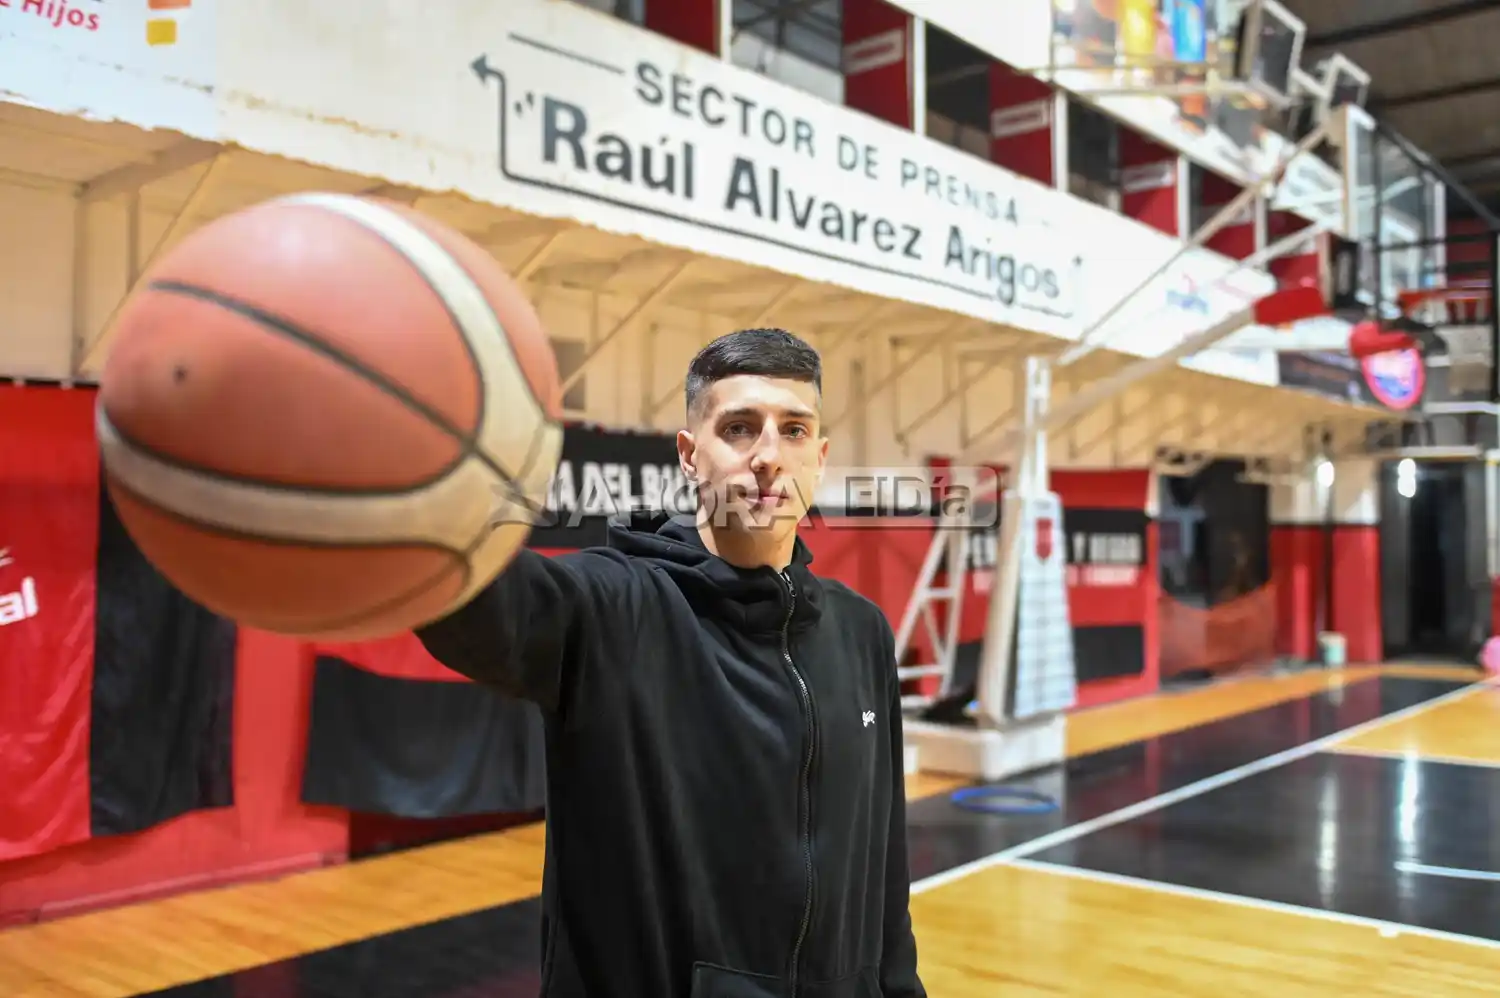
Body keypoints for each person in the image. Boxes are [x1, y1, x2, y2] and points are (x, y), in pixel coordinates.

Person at [416, 326, 926, 998]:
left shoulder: (861, 631)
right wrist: (404, 475)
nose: (768, 456)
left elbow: (882, 862)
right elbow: (470, 603)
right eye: (739, 427)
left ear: (821, 456)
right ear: (690, 456)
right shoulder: (609, 608)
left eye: (794, 430)